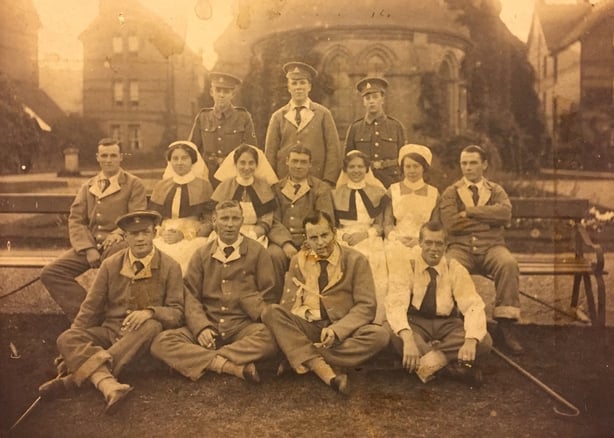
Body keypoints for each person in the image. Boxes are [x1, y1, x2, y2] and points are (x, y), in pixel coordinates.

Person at [38, 211, 184, 413]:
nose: (140, 238)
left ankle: (73, 380)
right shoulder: (110, 265)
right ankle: (109, 384)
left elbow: (177, 313)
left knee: (152, 325)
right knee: (67, 337)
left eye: (145, 232)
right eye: (134, 234)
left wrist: (151, 312)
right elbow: (90, 308)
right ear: (125, 237)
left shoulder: (170, 266)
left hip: (141, 343)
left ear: (154, 233)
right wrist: (68, 350)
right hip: (109, 332)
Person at [262, 210, 389, 395]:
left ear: (334, 232)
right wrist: (304, 315)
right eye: (314, 238)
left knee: (379, 336)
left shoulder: (356, 260)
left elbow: (366, 306)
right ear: (307, 239)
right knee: (270, 312)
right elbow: (287, 304)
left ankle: (298, 354)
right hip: (309, 326)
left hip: (342, 330)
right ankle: (322, 367)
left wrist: (338, 330)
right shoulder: (299, 260)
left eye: (324, 235)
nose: (320, 243)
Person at [150, 200, 277, 383]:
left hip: (242, 327)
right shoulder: (201, 254)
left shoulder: (257, 252)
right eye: (224, 219)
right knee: (161, 342)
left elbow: (268, 293)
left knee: (270, 338)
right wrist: (201, 327)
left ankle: (206, 359)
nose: (230, 224)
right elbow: (190, 295)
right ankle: (229, 366)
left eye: (235, 219)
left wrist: (250, 310)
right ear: (215, 221)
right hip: (209, 324)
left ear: (242, 221)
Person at [40, 138, 147, 321]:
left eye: (113, 155)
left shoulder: (133, 184)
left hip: (119, 245)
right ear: (97, 157)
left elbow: (136, 218)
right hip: (90, 246)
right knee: (51, 272)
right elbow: (76, 219)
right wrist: (88, 248)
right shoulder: (89, 185)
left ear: (121, 157)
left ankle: (114, 319)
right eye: (104, 155)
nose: (108, 160)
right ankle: (88, 316)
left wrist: (117, 233)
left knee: (113, 272)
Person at [436, 144, 523, 355]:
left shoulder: (495, 190)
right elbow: (451, 224)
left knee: (508, 264)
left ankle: (505, 327)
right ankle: (454, 323)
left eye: (473, 162)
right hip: (461, 247)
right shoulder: (451, 192)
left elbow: (505, 215)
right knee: (448, 265)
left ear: (484, 164)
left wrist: (469, 212)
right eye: (464, 163)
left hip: (492, 246)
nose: (468, 168)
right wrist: (487, 220)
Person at [385, 222, 492, 386]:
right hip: (416, 322)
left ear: (446, 246)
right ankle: (453, 370)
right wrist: (408, 340)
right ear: (420, 243)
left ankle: (429, 363)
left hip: (447, 323)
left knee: (483, 340)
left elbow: (473, 305)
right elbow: (396, 304)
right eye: (428, 242)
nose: (433, 248)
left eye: (439, 243)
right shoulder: (407, 265)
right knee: (394, 334)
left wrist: (470, 341)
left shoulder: (454, 268)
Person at [332, 150, 389, 323]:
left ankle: (376, 317)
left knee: (375, 261)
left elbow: (380, 225)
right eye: (352, 167)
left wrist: (365, 234)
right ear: (345, 169)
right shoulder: (335, 194)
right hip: (343, 235)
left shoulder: (378, 192)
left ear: (366, 169)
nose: (356, 170)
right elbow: (333, 224)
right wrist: (344, 235)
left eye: (360, 166)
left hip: (369, 236)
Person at [268, 146, 335, 287]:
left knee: (312, 256)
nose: (298, 166)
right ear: (287, 161)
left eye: (303, 162)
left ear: (310, 164)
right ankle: (276, 298)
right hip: (283, 242)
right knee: (273, 255)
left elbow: (324, 220)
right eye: (294, 161)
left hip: (311, 239)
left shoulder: (320, 188)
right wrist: (285, 243)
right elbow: (273, 220)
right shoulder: (276, 188)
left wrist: (310, 242)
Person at [264, 61, 341, 186]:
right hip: (285, 182)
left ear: (309, 86)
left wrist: (328, 181)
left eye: (302, 82)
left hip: (316, 181)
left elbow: (333, 150)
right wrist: (272, 182)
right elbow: (270, 153)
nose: (298, 87)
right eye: (294, 83)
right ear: (289, 88)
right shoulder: (278, 117)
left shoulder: (323, 114)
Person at [149, 140, 214, 274]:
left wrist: (185, 234)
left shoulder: (203, 186)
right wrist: (161, 232)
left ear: (192, 160)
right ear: (170, 161)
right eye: (175, 158)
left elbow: (209, 220)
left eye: (184, 158)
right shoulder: (161, 186)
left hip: (194, 236)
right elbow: (153, 218)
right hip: (163, 234)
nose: (179, 162)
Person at [188, 72, 257, 185]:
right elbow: (192, 149)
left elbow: (251, 150)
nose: (221, 95)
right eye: (218, 90)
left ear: (233, 94)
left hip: (234, 174)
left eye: (226, 91)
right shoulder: (203, 117)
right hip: (207, 174)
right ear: (211, 92)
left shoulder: (243, 117)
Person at [210, 143, 278, 247]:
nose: (247, 167)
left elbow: (266, 219)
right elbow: (215, 215)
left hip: (254, 234)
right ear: (235, 164)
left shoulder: (264, 187)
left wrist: (255, 233)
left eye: (251, 163)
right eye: (242, 163)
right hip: (225, 233)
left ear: (256, 165)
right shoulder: (225, 185)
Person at [344, 77, 406, 188]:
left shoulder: (396, 126)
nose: (371, 101)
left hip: (392, 181)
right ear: (363, 102)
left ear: (382, 99)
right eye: (367, 98)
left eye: (375, 97)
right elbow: (348, 159)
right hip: (364, 182)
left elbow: (404, 158)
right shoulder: (355, 128)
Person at [383, 144, 439, 261]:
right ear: (402, 168)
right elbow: (387, 223)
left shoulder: (433, 193)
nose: (412, 171)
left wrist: (421, 240)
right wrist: (396, 238)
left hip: (424, 242)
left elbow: (435, 225)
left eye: (416, 166)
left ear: (424, 167)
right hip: (396, 240)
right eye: (407, 166)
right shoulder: (393, 190)